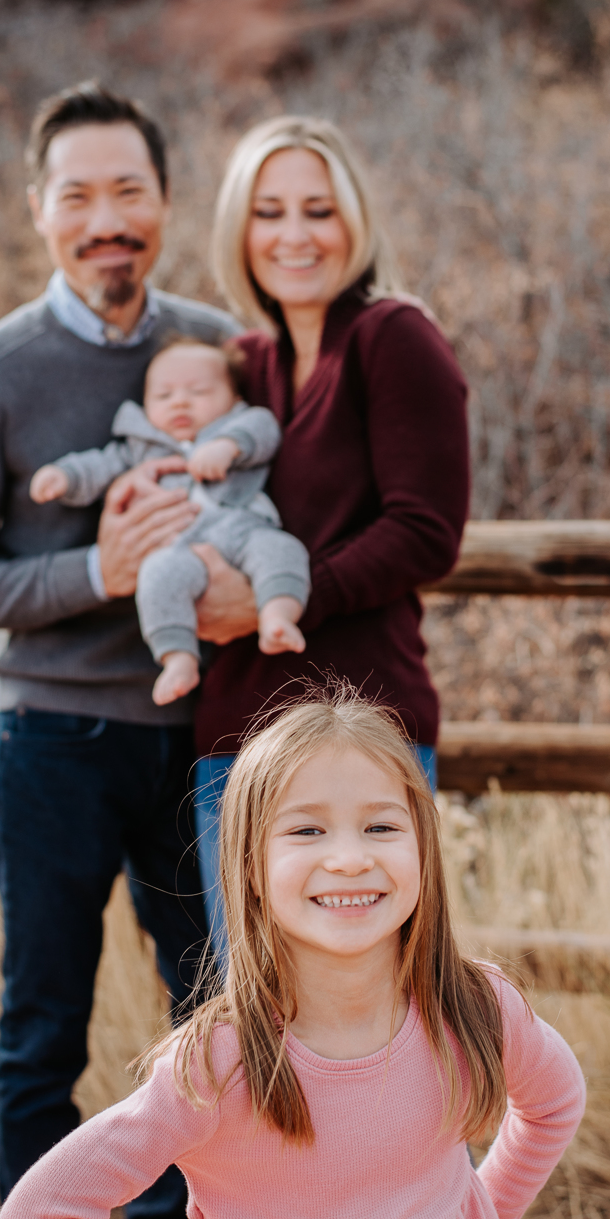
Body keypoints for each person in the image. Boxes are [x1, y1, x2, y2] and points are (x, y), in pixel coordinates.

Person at [0, 81, 245, 1219]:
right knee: (38, 1029)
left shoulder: (222, 354)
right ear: (38, 211)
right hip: (49, 741)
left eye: (130, 194)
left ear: (165, 202)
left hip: (199, 748)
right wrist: (94, 573)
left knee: (205, 1032)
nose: (107, 223)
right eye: (78, 197)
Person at [0, 690, 587, 1219]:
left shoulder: (475, 1009)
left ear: (424, 851)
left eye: (380, 826)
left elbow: (556, 1102)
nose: (348, 859)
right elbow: (44, 1214)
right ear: (248, 865)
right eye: (306, 831)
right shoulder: (221, 1062)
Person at [190, 116, 471, 966]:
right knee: (253, 1020)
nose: (294, 235)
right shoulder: (244, 363)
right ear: (239, 228)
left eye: (318, 209)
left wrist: (283, 594)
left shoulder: (393, 338)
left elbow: (426, 532)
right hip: (235, 739)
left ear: (355, 219)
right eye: (269, 212)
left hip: (362, 733)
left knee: (367, 1011)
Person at [30, 333, 310, 706]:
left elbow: (264, 430)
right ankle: (178, 658)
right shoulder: (141, 446)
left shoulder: (238, 426)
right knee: (156, 577)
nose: (180, 401)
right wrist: (64, 477)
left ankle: (278, 614)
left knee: (281, 549)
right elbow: (101, 464)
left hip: (243, 529)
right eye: (164, 396)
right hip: (179, 549)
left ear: (234, 400)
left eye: (199, 392)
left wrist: (227, 446)